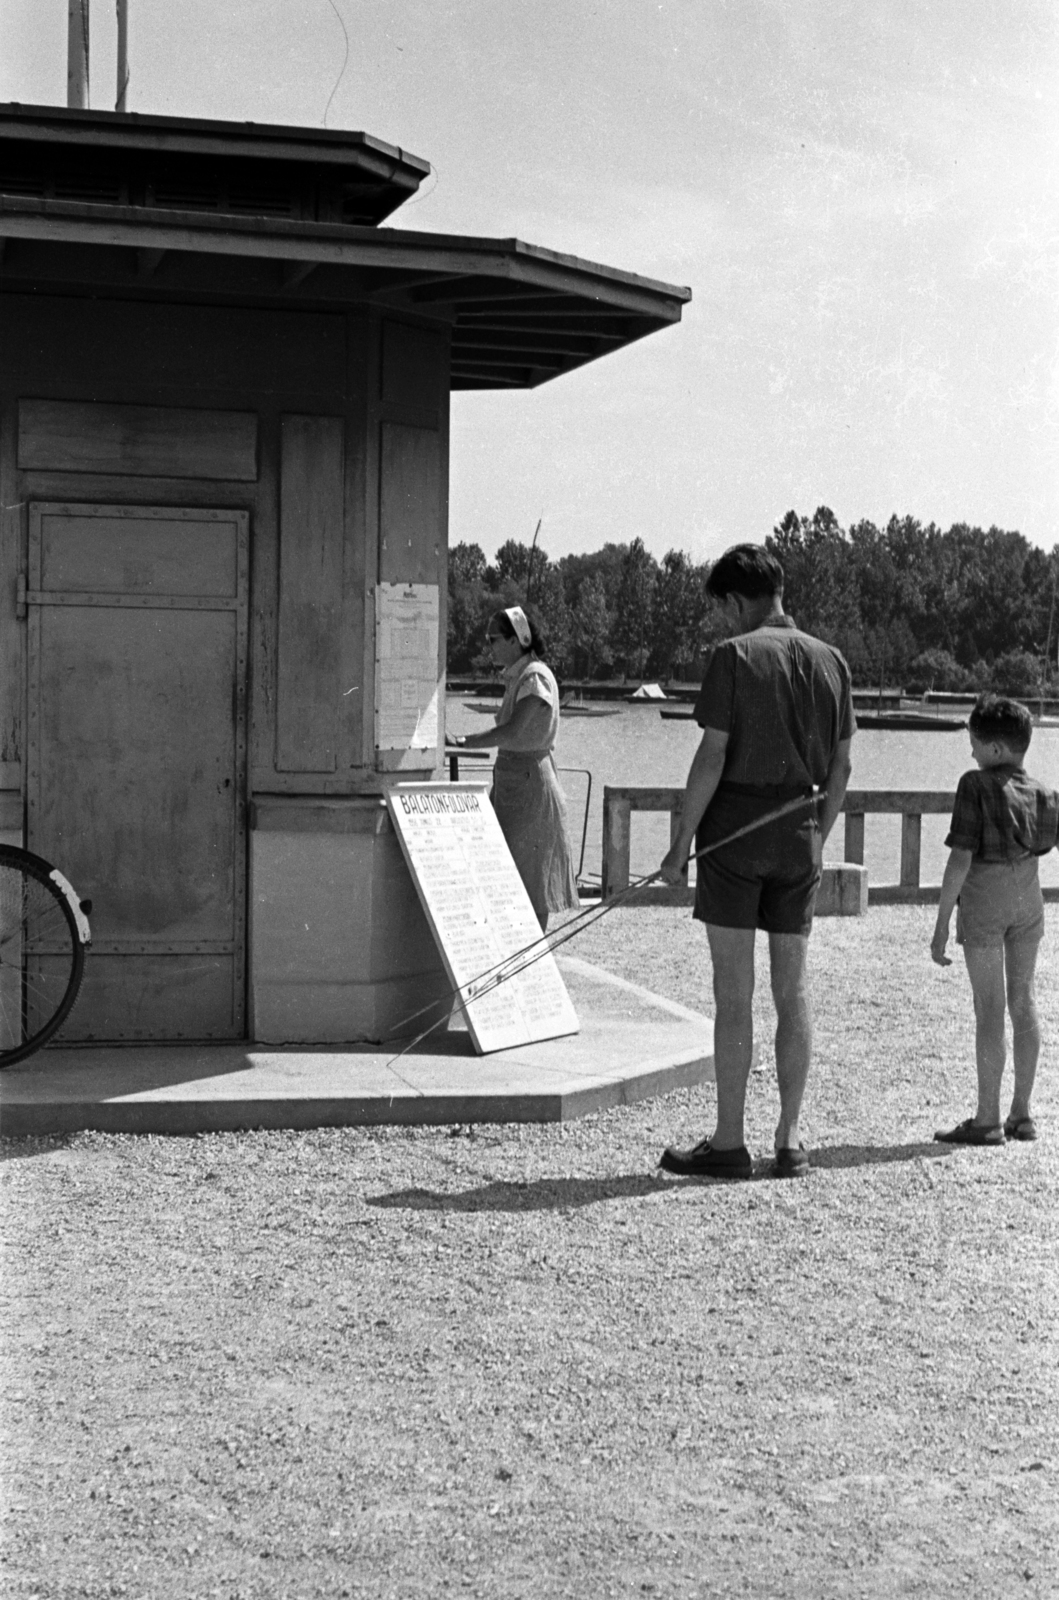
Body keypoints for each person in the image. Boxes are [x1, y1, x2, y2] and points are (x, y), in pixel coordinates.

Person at [656, 544, 854, 1179]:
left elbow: (711, 757)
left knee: (733, 993)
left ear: (738, 601)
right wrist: (817, 834)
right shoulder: (833, 661)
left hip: (736, 836)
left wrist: (680, 842)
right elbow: (842, 766)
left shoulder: (733, 658)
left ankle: (729, 1140)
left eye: (725, 609)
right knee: (792, 991)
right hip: (799, 832)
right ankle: (791, 1139)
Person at [931, 694, 1058, 1145]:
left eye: (976, 743)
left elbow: (960, 858)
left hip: (985, 902)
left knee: (989, 1009)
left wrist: (943, 921)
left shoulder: (975, 785)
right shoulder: (1045, 792)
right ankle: (1022, 1114)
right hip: (1028, 899)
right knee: (1023, 1001)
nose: (971, 752)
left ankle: (987, 1119)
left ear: (997, 750)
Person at [450, 606, 580, 928]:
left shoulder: (534, 677)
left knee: (531, 883)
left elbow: (512, 732)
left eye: (493, 638)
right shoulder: (519, 676)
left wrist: (464, 741)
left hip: (531, 787)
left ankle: (533, 960)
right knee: (508, 876)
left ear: (515, 640)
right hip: (513, 783)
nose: (489, 645)